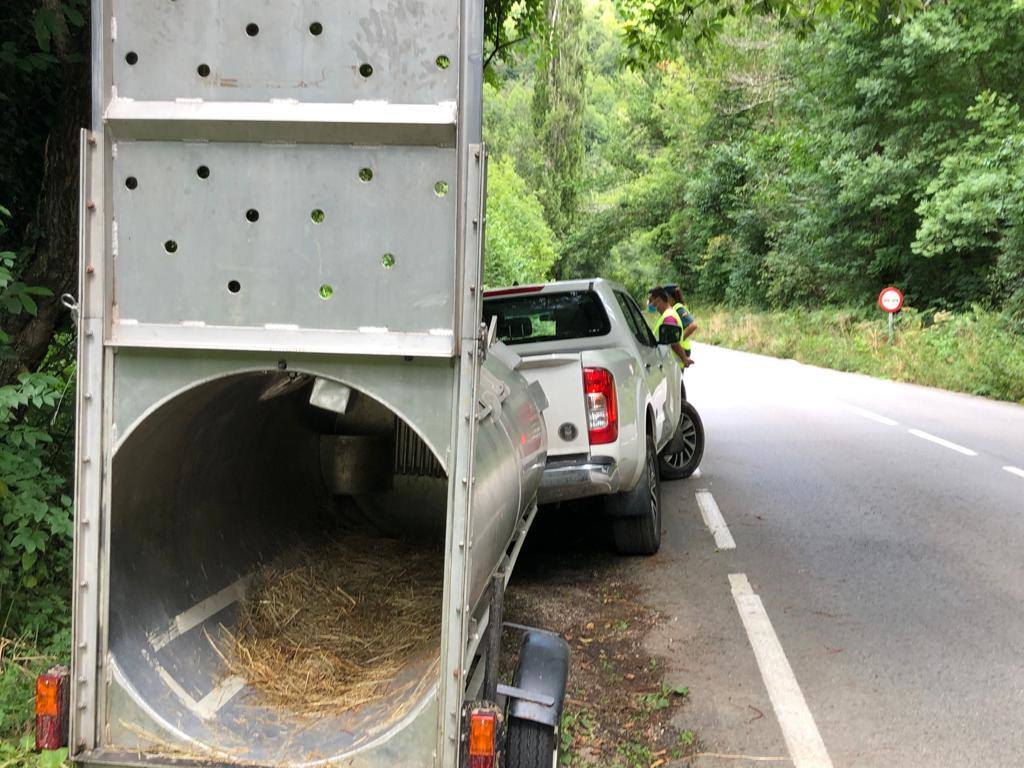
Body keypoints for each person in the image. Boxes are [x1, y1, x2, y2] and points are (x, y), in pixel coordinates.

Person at [648, 287, 692, 369]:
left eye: (651, 301)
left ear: (658, 300)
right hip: (670, 364)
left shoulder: (669, 317)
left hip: (672, 365)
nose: (650, 304)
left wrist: (684, 358)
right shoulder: (667, 315)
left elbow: (673, 342)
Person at [665, 284, 699, 361]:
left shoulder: (678, 309)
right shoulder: (674, 308)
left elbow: (693, 325)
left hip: (683, 348)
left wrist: (679, 339)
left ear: (670, 297)